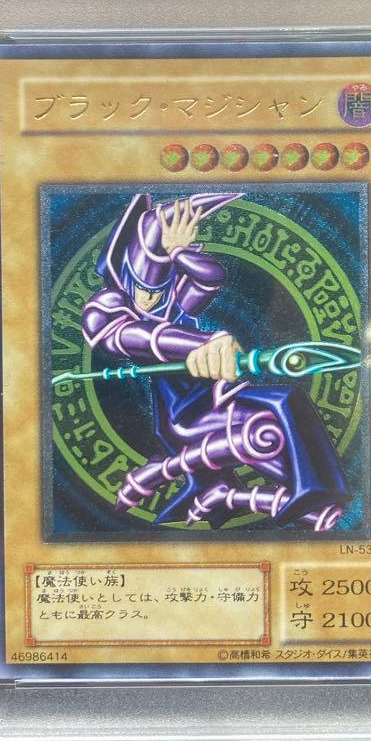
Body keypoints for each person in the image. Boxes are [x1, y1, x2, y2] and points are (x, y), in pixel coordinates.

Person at [82, 192, 349, 530]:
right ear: (124, 279)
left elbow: (210, 277)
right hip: (184, 416)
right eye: (143, 292)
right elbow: (132, 337)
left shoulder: (172, 303)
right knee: (264, 431)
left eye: (159, 292)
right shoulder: (109, 309)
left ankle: (301, 491)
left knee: (285, 402)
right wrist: (201, 343)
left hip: (213, 398)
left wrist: (178, 253)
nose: (151, 301)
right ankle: (217, 488)